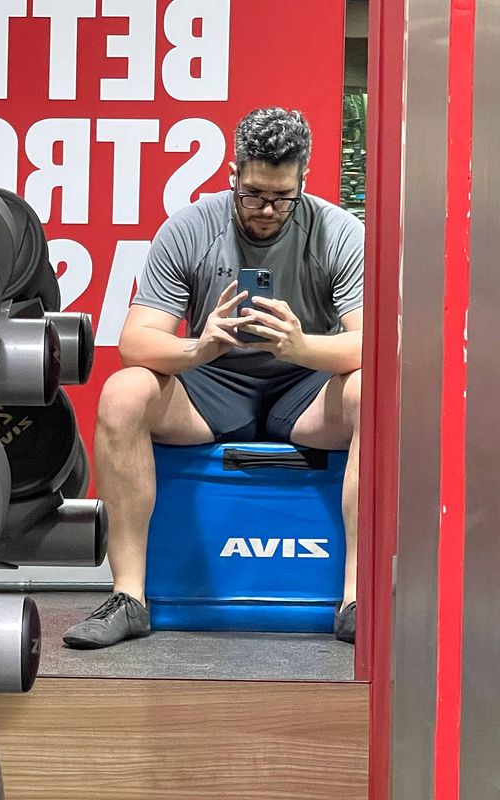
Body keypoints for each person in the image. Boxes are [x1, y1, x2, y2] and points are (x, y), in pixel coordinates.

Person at [62, 107, 364, 649]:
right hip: (212, 384)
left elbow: (370, 345)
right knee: (124, 391)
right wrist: (201, 345)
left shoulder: (338, 232)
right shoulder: (190, 227)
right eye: (252, 194)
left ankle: (355, 601)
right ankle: (129, 597)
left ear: (303, 180)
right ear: (233, 175)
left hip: (305, 386)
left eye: (281, 197)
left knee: (370, 391)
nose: (266, 209)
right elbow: (136, 341)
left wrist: (301, 346)